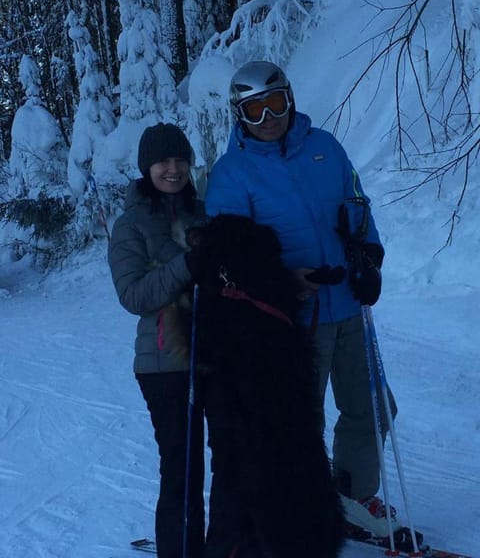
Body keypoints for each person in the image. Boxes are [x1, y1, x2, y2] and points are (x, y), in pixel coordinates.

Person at [205, 60, 399, 537]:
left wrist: (368, 258)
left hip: (348, 305)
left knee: (373, 407)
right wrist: (285, 280)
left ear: (290, 99)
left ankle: (352, 497)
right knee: (297, 421)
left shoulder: (325, 148)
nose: (268, 117)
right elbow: (230, 254)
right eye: (254, 110)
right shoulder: (232, 174)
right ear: (239, 116)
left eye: (275, 103)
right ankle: (296, 507)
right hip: (287, 321)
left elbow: (356, 203)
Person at [108, 123, 206, 558]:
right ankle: (178, 548)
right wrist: (189, 265)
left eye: (179, 160)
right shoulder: (130, 225)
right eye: (163, 162)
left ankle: (210, 544)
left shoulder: (201, 213)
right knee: (182, 468)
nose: (172, 170)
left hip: (212, 355)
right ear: (147, 167)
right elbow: (133, 295)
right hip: (164, 362)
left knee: (214, 463)